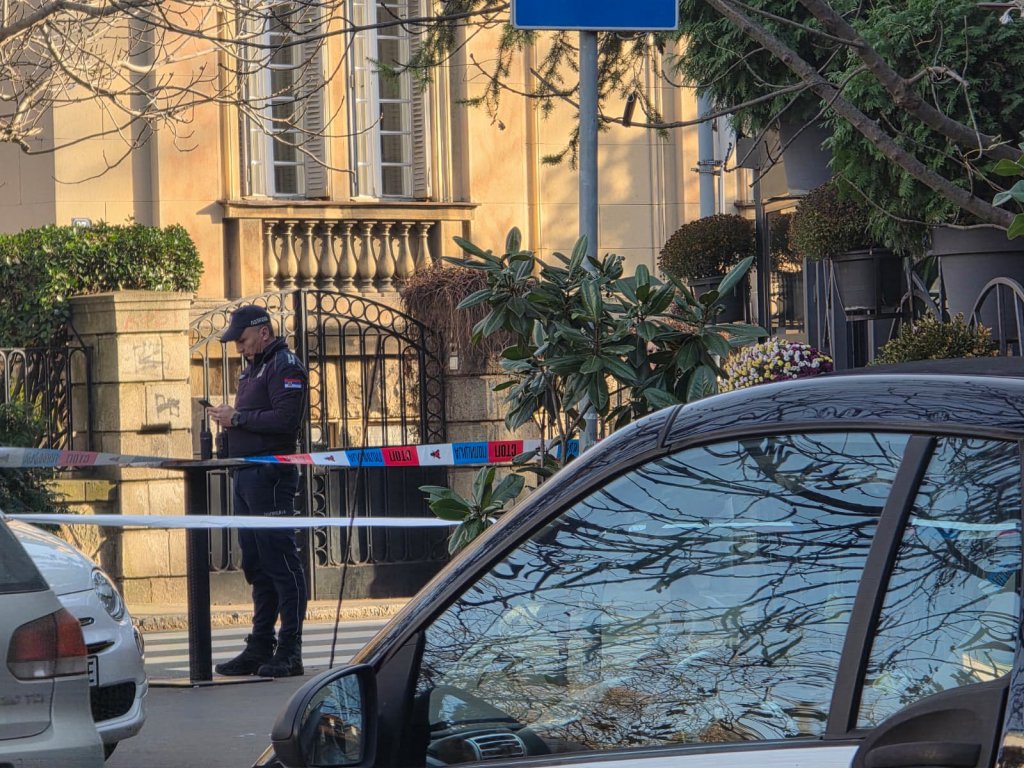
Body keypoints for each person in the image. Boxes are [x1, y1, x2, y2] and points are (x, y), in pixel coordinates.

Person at [208, 304, 309, 678]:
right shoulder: (252, 368)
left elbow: (286, 420)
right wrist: (229, 428)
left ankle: (290, 650)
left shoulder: (285, 366)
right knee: (256, 564)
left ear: (263, 332)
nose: (239, 348)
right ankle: (260, 645)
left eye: (243, 340)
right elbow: (253, 420)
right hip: (246, 474)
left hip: (271, 476)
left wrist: (238, 417)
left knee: (281, 562)